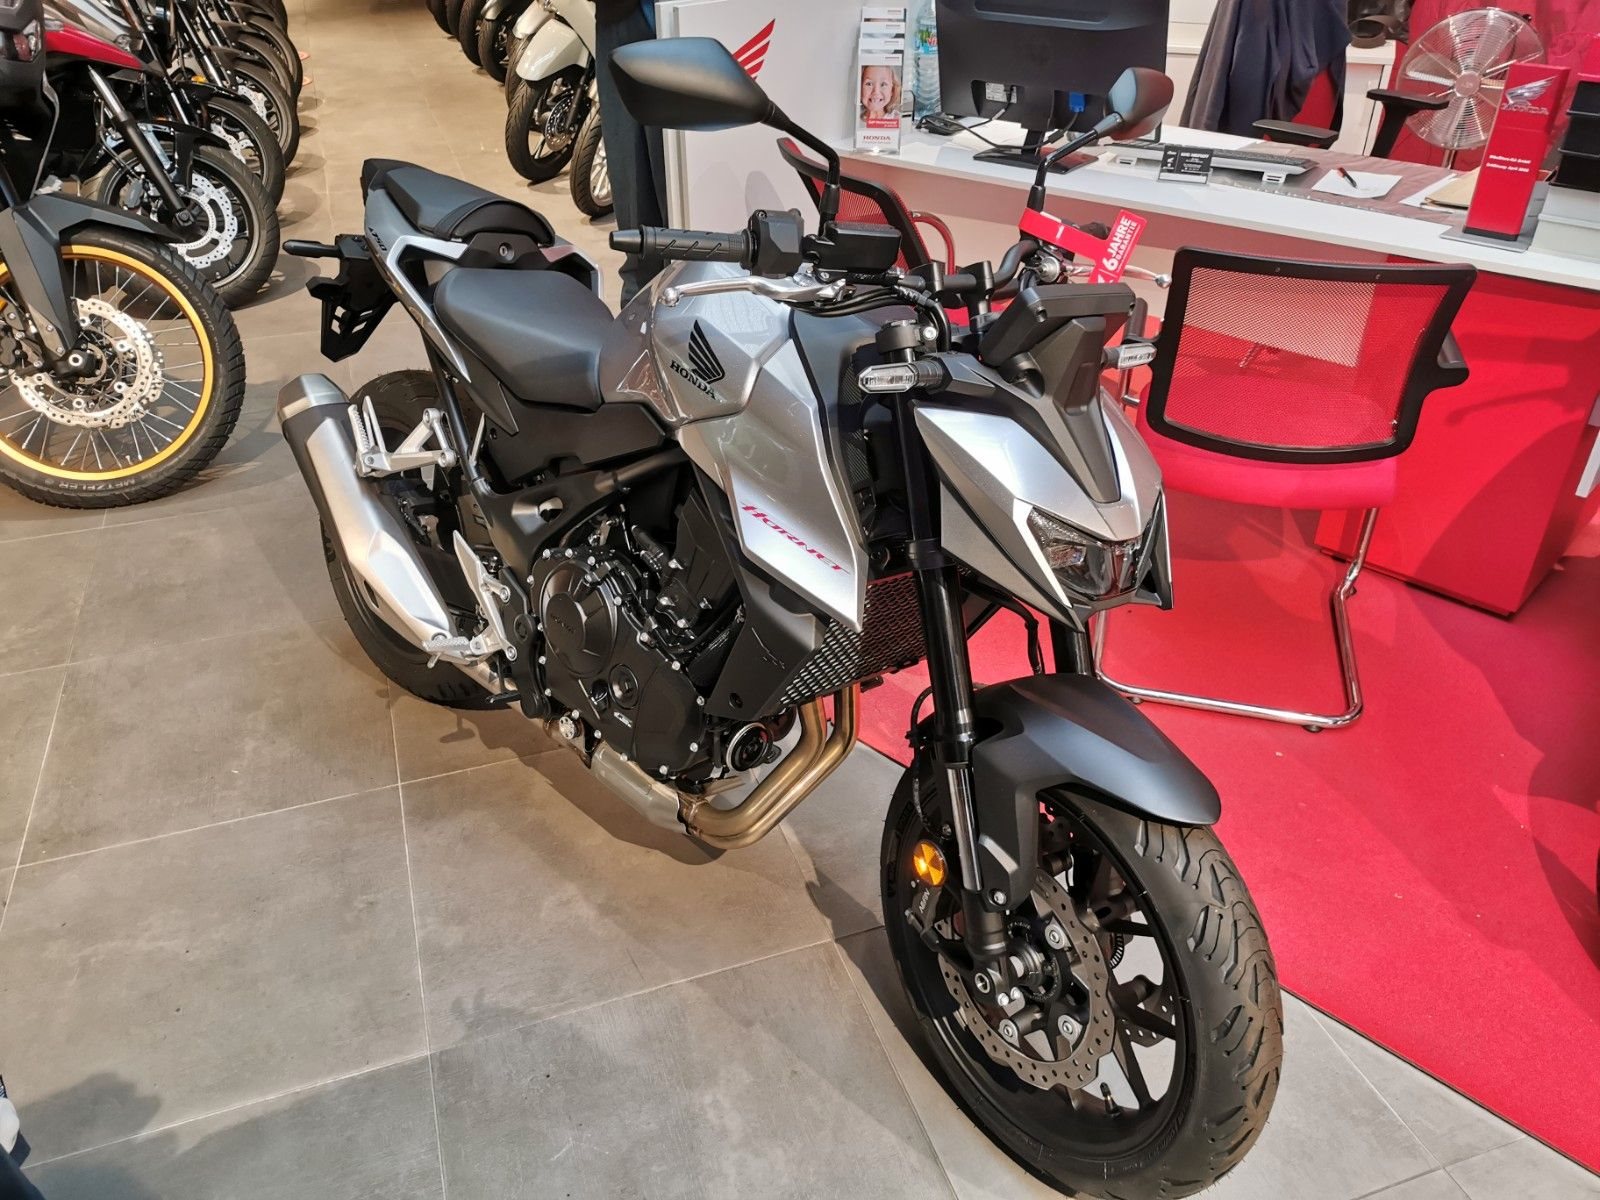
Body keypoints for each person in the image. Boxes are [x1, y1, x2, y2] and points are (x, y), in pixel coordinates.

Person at [595, 0, 667, 305]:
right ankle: (640, 311)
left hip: (698, 18)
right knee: (635, 191)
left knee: (685, 188)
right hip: (624, 17)